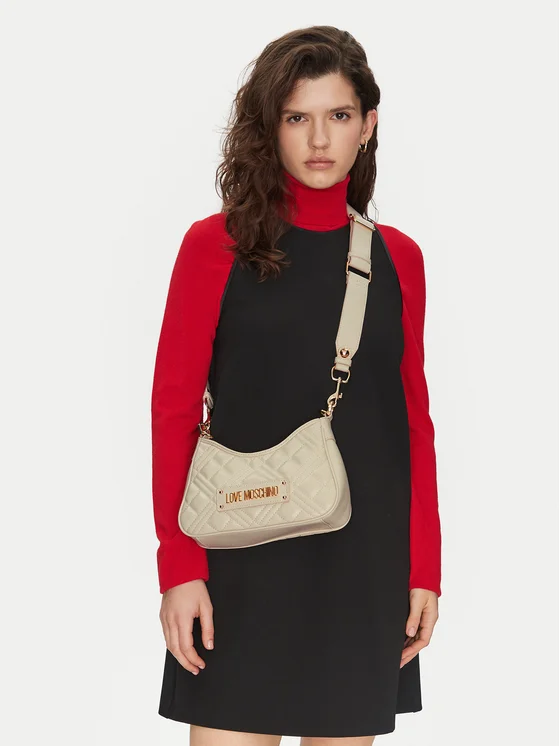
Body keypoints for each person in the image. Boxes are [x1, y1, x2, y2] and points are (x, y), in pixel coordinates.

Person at [151, 25, 442, 746]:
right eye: (296, 117)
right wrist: (179, 568)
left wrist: (425, 570)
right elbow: (173, 413)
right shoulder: (214, 246)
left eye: (338, 115)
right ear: (270, 127)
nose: (318, 138)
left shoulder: (398, 259)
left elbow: (412, 424)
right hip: (238, 558)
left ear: (367, 126)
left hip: (363, 562)